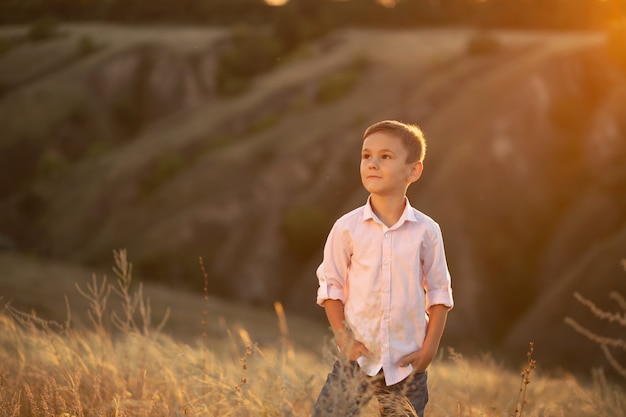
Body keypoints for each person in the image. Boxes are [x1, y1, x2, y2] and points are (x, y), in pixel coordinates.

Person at [312, 120, 454, 417]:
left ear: (413, 170)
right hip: (357, 361)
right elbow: (331, 286)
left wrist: (429, 349)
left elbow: (440, 293)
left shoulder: (427, 231)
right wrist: (343, 337)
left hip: (407, 367)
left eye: (385, 157)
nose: (372, 163)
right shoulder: (346, 228)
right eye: (366, 156)